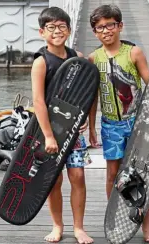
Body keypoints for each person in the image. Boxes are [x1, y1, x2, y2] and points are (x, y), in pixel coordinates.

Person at [88, 4, 149, 243]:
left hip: (138, 122)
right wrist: (91, 127)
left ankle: (146, 223)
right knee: (112, 174)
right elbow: (93, 98)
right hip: (110, 124)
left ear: (120, 26)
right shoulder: (93, 58)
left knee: (142, 174)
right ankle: (116, 216)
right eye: (100, 28)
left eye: (110, 25)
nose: (106, 31)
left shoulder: (133, 53)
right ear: (95, 32)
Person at [31, 7, 93, 244]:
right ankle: (57, 226)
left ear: (68, 29)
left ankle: (79, 228)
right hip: (49, 131)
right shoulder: (41, 61)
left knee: (78, 176)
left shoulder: (77, 56)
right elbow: (38, 101)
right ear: (42, 32)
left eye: (62, 27)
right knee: (54, 180)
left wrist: (85, 117)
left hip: (73, 130)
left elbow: (86, 91)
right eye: (51, 27)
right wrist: (48, 136)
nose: (57, 31)